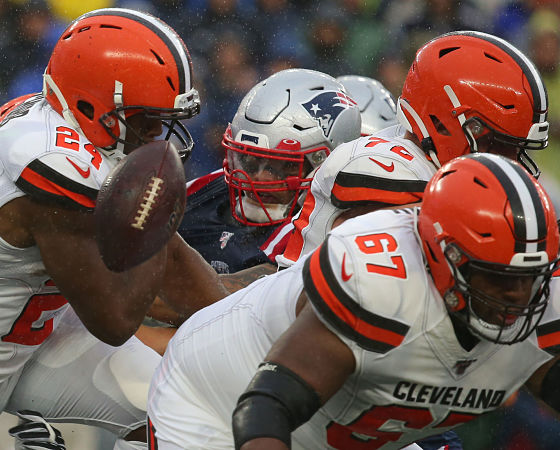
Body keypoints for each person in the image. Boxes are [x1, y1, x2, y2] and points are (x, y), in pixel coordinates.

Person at [0, 8, 226, 449]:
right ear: (94, 105)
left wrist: (239, 315)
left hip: (36, 338)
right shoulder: (54, 175)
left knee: (181, 409)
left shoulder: (69, 132)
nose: (158, 137)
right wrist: (156, 216)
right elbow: (114, 319)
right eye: (147, 121)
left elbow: (166, 258)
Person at [147, 153, 560, 449]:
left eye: (530, 277)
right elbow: (265, 407)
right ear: (442, 255)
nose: (517, 296)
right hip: (219, 399)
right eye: (497, 277)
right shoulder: (377, 284)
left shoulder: (544, 305)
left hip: (353, 427)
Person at [261, 30, 550, 267]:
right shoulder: (379, 165)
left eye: (518, 148)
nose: (513, 162)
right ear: (442, 123)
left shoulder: (425, 155)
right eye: (499, 144)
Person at [179, 68, 360, 276]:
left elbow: (230, 300)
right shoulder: (202, 193)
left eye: (286, 166)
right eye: (251, 160)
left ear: (328, 164)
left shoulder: (329, 230)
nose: (259, 177)